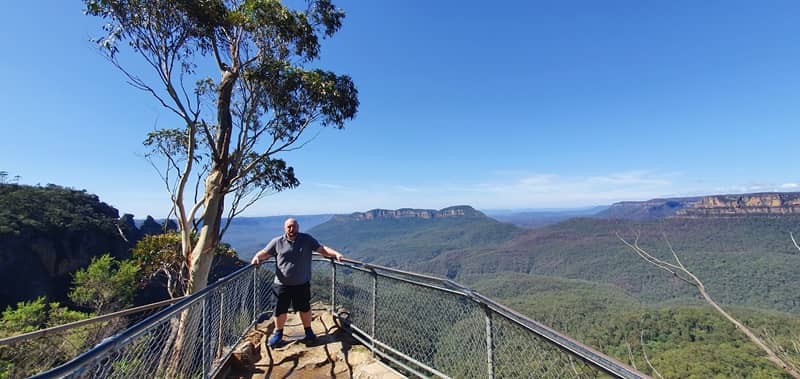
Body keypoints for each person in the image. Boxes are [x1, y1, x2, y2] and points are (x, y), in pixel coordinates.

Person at [251, 217, 344, 348]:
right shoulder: (277, 242)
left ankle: (308, 331)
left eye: (294, 226)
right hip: (281, 284)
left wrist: (336, 254)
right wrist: (256, 257)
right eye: (289, 226)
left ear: (298, 227)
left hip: (301, 283)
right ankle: (278, 333)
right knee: (279, 310)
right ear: (285, 228)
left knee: (304, 308)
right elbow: (265, 253)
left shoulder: (306, 239)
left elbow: (322, 249)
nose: (291, 229)